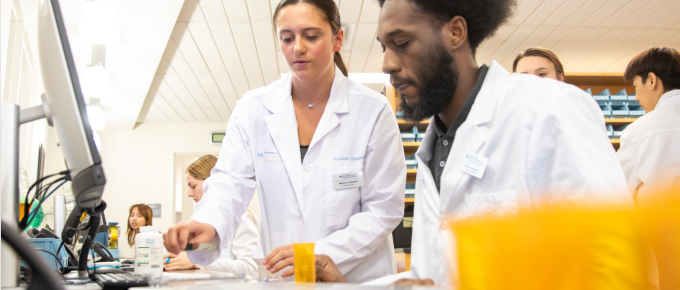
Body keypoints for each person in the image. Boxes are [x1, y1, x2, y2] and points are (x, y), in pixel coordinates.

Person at [318, 0, 633, 286]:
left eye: (402, 43)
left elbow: (615, 264)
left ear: (455, 32)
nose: (387, 64)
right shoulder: (438, 143)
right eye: (383, 48)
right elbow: (433, 275)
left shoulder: (546, 109)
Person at [164, 0, 406, 283]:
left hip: (354, 276)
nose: (298, 47)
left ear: (337, 39)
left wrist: (319, 252)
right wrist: (208, 226)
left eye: (311, 36)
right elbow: (229, 183)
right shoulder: (253, 109)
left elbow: (383, 209)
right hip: (285, 279)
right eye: (286, 37)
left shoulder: (372, 110)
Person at [162, 155, 260, 277]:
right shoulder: (202, 219)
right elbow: (207, 255)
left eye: (193, 186)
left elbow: (251, 267)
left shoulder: (242, 218)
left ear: (212, 183)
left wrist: (196, 263)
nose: (189, 193)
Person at [618, 47, 680, 205]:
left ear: (651, 80)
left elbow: (619, 192)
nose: (637, 98)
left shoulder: (636, 132)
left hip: (661, 227)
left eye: (635, 87)